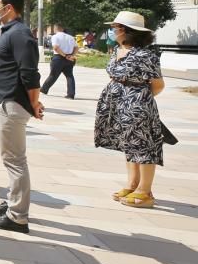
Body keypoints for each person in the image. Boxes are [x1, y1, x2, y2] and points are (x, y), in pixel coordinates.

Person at [0, 0, 43, 234]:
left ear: (8, 8)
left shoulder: (19, 34)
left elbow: (30, 73)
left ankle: (17, 216)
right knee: (12, 160)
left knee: (15, 161)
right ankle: (12, 202)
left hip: (11, 103)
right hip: (5, 101)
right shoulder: (10, 32)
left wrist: (34, 103)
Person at [94, 11, 166, 208]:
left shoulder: (145, 55)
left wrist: (137, 99)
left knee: (143, 146)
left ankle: (145, 190)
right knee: (128, 144)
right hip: (117, 106)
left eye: (115, 28)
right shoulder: (117, 51)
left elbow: (158, 84)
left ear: (126, 31)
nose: (112, 31)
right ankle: (132, 184)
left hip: (137, 106)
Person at [41, 23, 77, 100]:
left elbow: (56, 48)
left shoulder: (55, 36)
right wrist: (72, 56)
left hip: (59, 57)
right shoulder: (71, 37)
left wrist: (64, 56)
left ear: (55, 28)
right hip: (69, 58)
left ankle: (44, 89)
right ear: (63, 28)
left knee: (53, 75)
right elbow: (76, 48)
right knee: (69, 76)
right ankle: (71, 94)